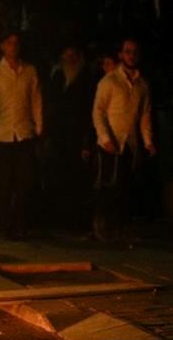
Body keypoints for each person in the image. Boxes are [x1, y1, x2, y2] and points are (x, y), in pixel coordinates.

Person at [0, 30, 43, 239]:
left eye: (16, 43)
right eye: (9, 43)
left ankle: (21, 223)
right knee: (4, 183)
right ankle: (6, 223)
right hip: (3, 134)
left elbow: (36, 100)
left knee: (25, 182)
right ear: (2, 46)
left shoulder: (30, 71)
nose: (13, 46)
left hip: (25, 132)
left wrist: (39, 128)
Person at [91, 38, 156, 241]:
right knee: (109, 184)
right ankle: (101, 225)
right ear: (121, 54)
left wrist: (148, 142)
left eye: (135, 52)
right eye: (127, 51)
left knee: (125, 186)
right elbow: (98, 111)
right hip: (110, 142)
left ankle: (118, 227)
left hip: (130, 142)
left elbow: (145, 115)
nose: (131, 55)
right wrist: (105, 137)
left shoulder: (142, 84)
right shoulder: (109, 81)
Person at [43, 45, 98, 229]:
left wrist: (87, 139)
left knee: (77, 178)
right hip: (59, 136)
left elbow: (90, 109)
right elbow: (51, 105)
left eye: (74, 55)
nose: (70, 59)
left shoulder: (87, 79)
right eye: (67, 55)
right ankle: (59, 219)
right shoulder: (57, 77)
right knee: (58, 176)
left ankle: (77, 220)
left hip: (78, 135)